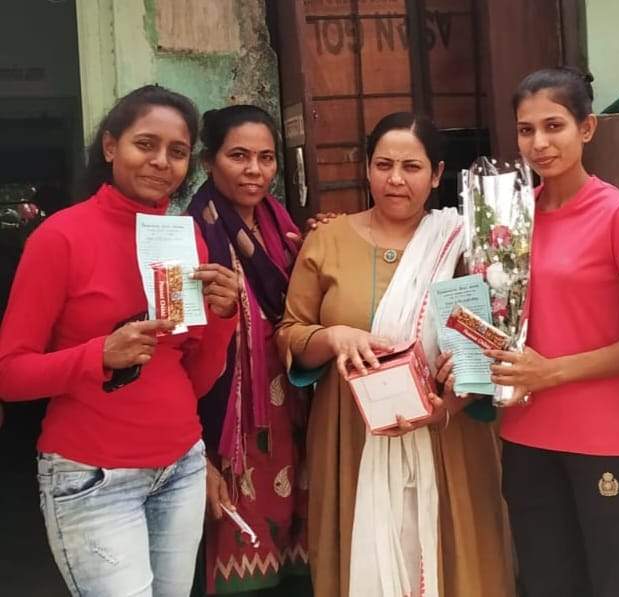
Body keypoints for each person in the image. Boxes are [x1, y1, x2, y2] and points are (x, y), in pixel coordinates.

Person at [0, 85, 240, 597]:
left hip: (180, 466)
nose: (161, 162)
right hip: (94, 477)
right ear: (111, 146)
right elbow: (10, 372)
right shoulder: (59, 238)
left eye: (177, 152)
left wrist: (223, 318)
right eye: (145, 144)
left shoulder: (183, 239)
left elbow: (193, 376)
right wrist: (99, 355)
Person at [275, 112, 515, 597]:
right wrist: (334, 336)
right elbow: (290, 334)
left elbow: (493, 346)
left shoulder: (465, 245)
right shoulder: (327, 241)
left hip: (448, 433)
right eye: (383, 165)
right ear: (367, 169)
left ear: (437, 174)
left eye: (412, 166)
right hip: (352, 432)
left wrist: (448, 404)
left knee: (454, 560)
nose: (396, 179)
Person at [485, 67, 619, 597]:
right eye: (526, 130)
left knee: (617, 583)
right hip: (525, 434)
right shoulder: (509, 220)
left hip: (604, 438)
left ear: (586, 128)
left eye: (554, 126)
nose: (539, 143)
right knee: (546, 582)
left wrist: (553, 372)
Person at [187, 105, 310, 595]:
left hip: (291, 408)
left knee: (295, 537)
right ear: (208, 162)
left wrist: (320, 246)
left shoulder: (282, 226)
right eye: (238, 156)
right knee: (237, 543)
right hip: (229, 420)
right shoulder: (192, 235)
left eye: (266, 157)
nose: (255, 170)